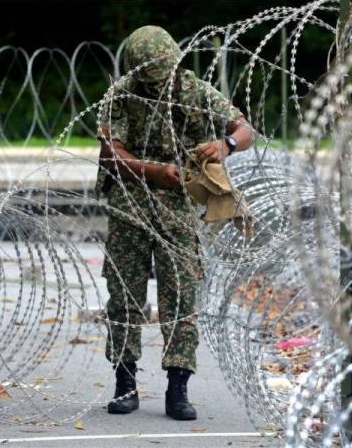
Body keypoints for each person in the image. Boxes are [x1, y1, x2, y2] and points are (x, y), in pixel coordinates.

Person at [96, 25, 254, 420]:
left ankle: (178, 388)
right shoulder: (121, 94)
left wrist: (225, 144)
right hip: (130, 200)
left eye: (162, 78)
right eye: (150, 79)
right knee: (124, 295)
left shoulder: (195, 91)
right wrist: (153, 170)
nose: (157, 86)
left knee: (182, 295)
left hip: (179, 204)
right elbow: (112, 152)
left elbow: (245, 128)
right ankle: (124, 383)